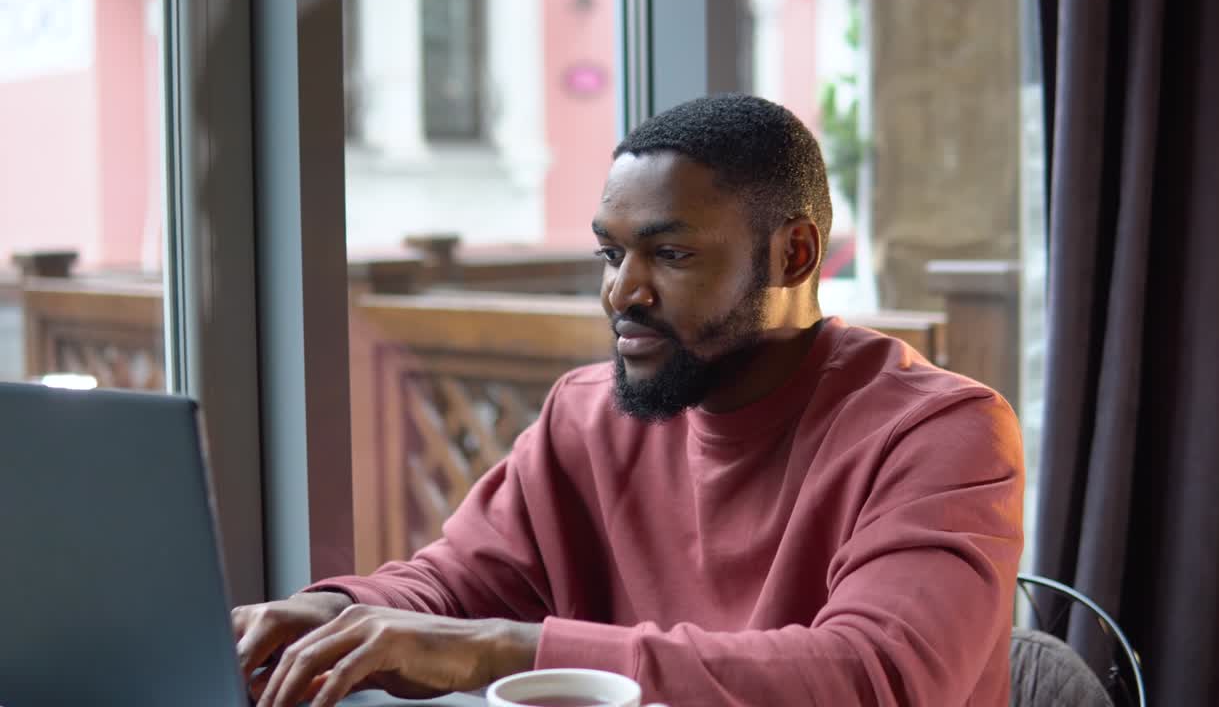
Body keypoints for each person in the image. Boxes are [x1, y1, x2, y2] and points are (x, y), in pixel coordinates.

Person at [235, 94, 1024, 707]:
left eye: (669, 253)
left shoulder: (944, 431)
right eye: (611, 253)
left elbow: (876, 679)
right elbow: (449, 591)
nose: (621, 291)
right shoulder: (586, 414)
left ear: (794, 254)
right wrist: (336, 613)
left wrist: (508, 651)